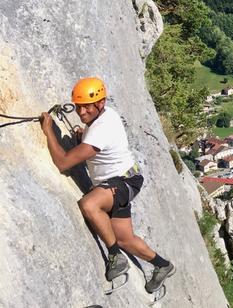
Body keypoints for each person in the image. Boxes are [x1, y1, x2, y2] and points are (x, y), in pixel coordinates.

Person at [39, 77, 175, 293]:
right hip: (126, 179)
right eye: (78, 106)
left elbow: (63, 163)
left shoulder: (100, 129)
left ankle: (115, 257)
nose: (81, 112)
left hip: (122, 182)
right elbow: (98, 142)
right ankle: (162, 265)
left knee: (89, 205)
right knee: (124, 238)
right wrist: (84, 137)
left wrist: (49, 131)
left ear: (100, 104)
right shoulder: (105, 116)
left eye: (86, 107)